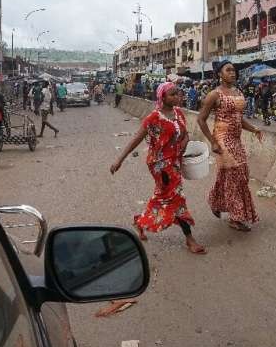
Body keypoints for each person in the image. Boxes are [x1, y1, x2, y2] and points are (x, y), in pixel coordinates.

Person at [111, 82, 206, 255]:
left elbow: (185, 134)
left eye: (177, 93)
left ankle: (140, 221)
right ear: (162, 97)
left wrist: (184, 145)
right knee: (177, 197)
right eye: (172, 94)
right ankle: (189, 239)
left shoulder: (178, 114)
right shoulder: (154, 117)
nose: (177, 97)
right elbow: (136, 140)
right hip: (160, 165)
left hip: (175, 163)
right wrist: (119, 159)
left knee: (163, 196)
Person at [198, 60, 263, 232]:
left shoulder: (237, 91)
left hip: (236, 139)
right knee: (236, 174)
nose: (232, 73)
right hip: (222, 138)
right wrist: (212, 142)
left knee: (240, 174)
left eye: (234, 70)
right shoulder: (214, 95)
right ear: (220, 74)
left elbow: (239, 119)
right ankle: (236, 218)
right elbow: (201, 119)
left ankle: (214, 200)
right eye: (228, 70)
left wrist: (254, 129)